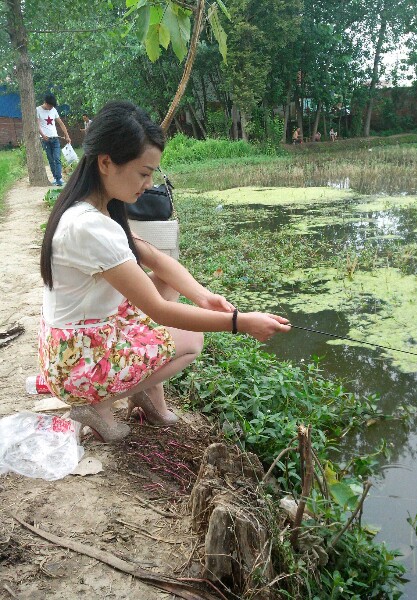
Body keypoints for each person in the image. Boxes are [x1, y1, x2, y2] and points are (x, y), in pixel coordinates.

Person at [39, 100, 291, 443]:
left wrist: (203, 296)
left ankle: (145, 395)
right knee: (190, 341)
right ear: (106, 163)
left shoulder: (94, 208)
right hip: (78, 362)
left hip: (76, 341)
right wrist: (240, 323)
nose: (148, 183)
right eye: (144, 173)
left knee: (164, 284)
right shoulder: (90, 227)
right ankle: (98, 406)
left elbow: (159, 262)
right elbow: (158, 310)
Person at [36, 94, 71, 186]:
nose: (51, 108)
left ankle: (59, 178)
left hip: (55, 138)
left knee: (57, 158)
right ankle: (55, 178)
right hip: (45, 140)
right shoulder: (38, 110)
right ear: (45, 103)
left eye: (52, 106)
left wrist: (67, 136)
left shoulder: (54, 110)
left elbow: (61, 123)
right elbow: (37, 125)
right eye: (50, 106)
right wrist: (43, 135)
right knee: (51, 159)